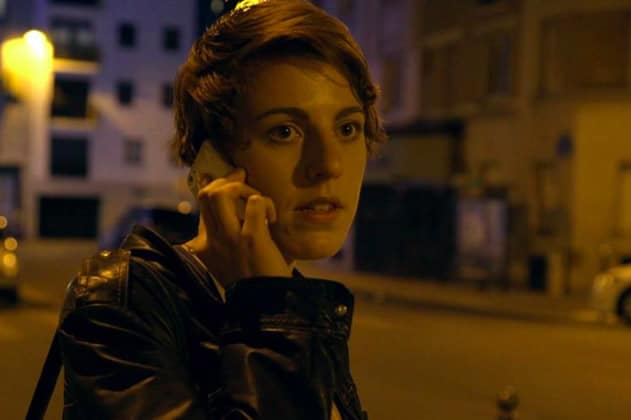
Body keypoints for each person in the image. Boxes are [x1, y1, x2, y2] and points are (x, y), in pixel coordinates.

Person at [57, 0, 388, 418]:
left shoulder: (295, 303)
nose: (329, 164)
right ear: (212, 160)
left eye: (347, 128)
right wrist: (272, 311)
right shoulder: (120, 307)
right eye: (284, 131)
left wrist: (278, 305)